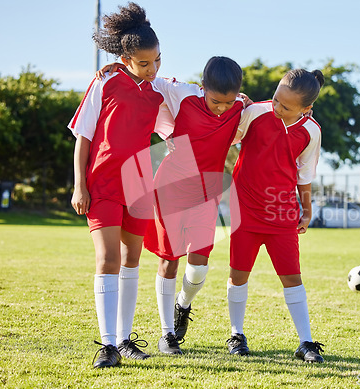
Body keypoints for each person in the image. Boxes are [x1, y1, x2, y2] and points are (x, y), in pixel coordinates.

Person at [96, 56, 245, 355]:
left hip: (207, 193)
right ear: (203, 88)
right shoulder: (184, 94)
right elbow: (148, 78)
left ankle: (183, 304)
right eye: (216, 101)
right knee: (169, 260)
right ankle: (167, 334)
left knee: (199, 267)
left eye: (228, 103)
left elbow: (274, 108)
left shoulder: (241, 106)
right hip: (170, 189)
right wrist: (122, 66)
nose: (222, 108)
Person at [69, 2, 172, 368]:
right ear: (125, 57)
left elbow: (189, 114)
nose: (152, 68)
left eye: (157, 60)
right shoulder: (105, 81)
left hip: (140, 185)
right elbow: (83, 136)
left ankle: (126, 339)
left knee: (131, 259)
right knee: (107, 258)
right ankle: (108, 345)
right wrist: (80, 185)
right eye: (144, 63)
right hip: (103, 183)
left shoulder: (161, 91)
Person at [226, 69, 325, 363]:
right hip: (244, 206)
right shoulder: (255, 112)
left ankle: (306, 342)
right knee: (238, 273)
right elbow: (228, 137)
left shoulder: (312, 131)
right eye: (275, 99)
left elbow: (304, 174)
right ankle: (236, 334)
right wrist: (235, 108)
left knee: (292, 276)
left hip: (282, 211)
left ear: (306, 108)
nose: (277, 107)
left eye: (285, 106)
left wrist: (306, 210)